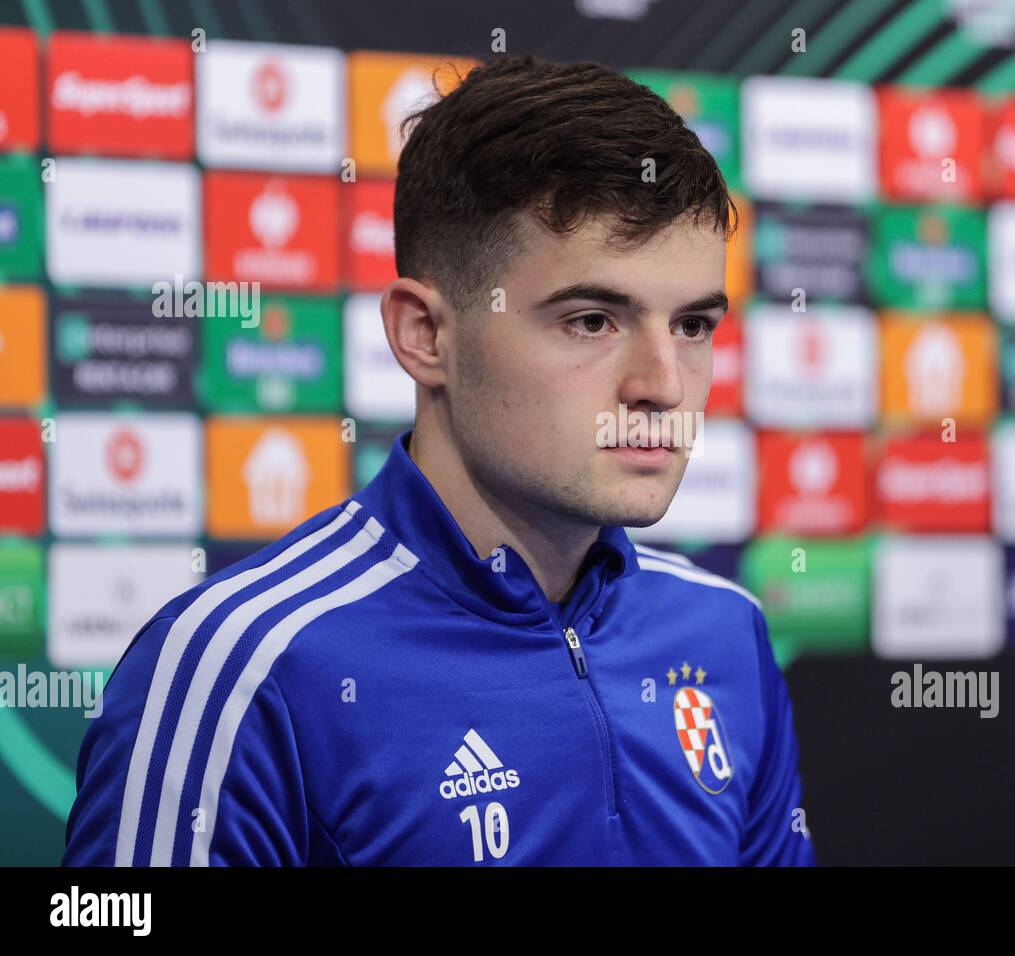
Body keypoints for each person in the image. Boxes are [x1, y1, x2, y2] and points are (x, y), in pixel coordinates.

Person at [63, 53, 815, 866]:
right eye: (592, 320)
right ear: (425, 335)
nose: (664, 387)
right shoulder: (241, 666)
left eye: (693, 326)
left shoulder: (726, 631)